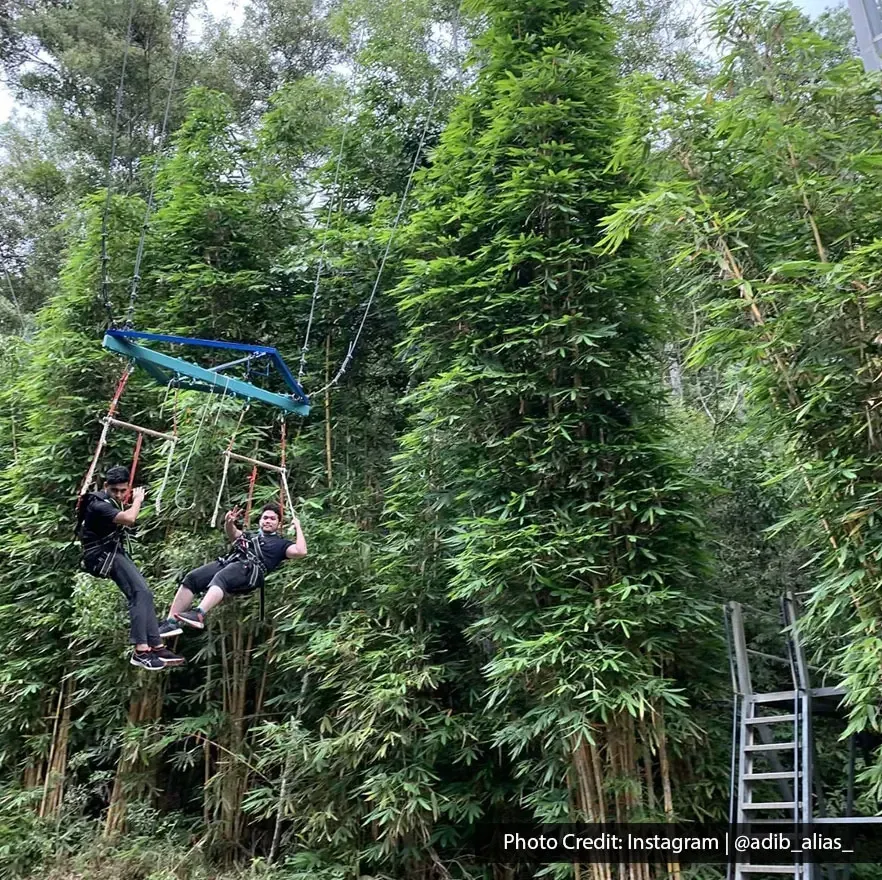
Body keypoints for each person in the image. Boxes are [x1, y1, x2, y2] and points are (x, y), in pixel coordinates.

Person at [77, 465, 185, 671]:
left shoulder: (109, 501)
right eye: (114, 490)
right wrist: (137, 500)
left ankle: (156, 645)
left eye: (122, 491)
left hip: (112, 552)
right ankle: (141, 650)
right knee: (139, 593)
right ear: (105, 486)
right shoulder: (97, 503)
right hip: (103, 555)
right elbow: (129, 519)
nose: (119, 494)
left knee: (145, 594)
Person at [160, 502, 307, 633]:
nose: (268, 521)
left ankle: (199, 614)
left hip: (250, 571)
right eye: (265, 518)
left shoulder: (281, 544)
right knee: (192, 578)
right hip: (230, 563)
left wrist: (298, 527)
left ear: (279, 524)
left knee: (222, 577)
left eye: (272, 518)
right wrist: (229, 523)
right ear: (260, 520)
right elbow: (233, 534)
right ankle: (171, 623)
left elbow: (301, 551)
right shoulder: (250, 536)